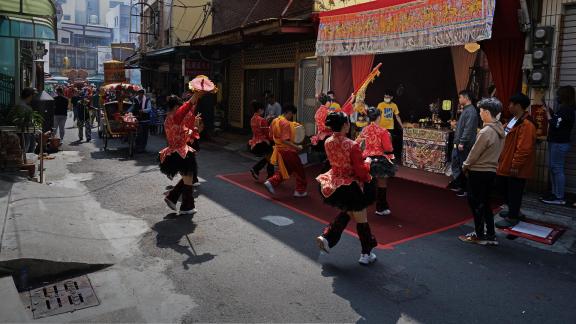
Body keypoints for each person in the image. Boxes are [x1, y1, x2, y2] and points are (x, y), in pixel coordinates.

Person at [315, 111, 378, 265]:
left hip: (335, 182)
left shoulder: (328, 141)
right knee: (361, 218)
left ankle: (328, 238)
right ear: (345, 125)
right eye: (348, 122)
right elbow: (360, 171)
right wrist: (368, 162)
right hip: (352, 186)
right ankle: (366, 253)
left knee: (349, 212)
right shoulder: (352, 144)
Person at [458, 97, 505, 246]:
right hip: (491, 170)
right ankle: (490, 234)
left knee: (476, 203)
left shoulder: (486, 131)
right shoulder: (499, 129)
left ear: (486, 112)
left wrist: (465, 165)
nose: (480, 113)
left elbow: (474, 153)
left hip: (479, 170)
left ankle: (479, 234)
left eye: (481, 111)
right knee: (485, 203)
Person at [495, 93, 537, 228]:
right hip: (506, 162)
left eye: (511, 104)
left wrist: (516, 164)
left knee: (514, 191)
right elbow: (503, 133)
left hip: (515, 165)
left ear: (518, 106)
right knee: (506, 189)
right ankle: (514, 211)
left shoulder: (527, 124)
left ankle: (513, 217)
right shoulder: (514, 120)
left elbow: (524, 148)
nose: (509, 106)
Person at [160, 93, 204, 215]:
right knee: (188, 179)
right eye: (179, 106)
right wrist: (197, 92)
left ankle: (174, 198)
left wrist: (194, 127)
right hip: (181, 152)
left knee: (187, 178)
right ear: (175, 107)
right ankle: (186, 206)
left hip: (175, 151)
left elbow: (183, 132)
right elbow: (189, 104)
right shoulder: (176, 116)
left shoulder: (169, 118)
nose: (181, 109)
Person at [356, 107, 396, 216]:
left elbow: (357, 143)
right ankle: (381, 208)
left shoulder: (365, 129)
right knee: (382, 183)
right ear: (379, 117)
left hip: (366, 158)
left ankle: (362, 205)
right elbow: (388, 148)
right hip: (379, 159)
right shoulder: (383, 131)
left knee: (366, 182)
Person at [540, 86, 576, 205]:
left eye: (559, 95)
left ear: (564, 96)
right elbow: (558, 121)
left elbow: (556, 124)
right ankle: (555, 193)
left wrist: (547, 113)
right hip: (557, 142)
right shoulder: (565, 109)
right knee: (553, 168)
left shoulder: (567, 110)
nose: (557, 97)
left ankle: (559, 197)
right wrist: (550, 112)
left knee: (557, 169)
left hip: (559, 143)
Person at [264, 104, 308, 197]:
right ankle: (300, 191)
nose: (291, 116)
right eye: (292, 114)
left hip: (279, 150)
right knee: (299, 170)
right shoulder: (285, 123)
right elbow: (285, 140)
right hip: (288, 151)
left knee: (287, 170)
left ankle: (271, 182)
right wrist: (297, 147)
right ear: (289, 112)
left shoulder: (275, 121)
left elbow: (271, 136)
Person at [448, 90, 479, 197]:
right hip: (458, 143)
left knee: (464, 166)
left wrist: (462, 142)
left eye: (460, 97)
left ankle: (465, 189)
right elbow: (463, 128)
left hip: (464, 145)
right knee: (455, 163)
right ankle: (459, 185)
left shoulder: (471, 111)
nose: (459, 99)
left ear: (466, 98)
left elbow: (468, 129)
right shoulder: (466, 110)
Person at [248, 101, 275, 181]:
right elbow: (267, 133)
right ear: (260, 110)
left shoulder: (252, 118)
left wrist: (266, 121)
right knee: (271, 157)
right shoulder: (262, 120)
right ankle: (269, 176)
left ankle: (257, 169)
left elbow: (258, 130)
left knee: (269, 157)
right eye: (263, 110)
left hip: (254, 142)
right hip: (263, 142)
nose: (263, 112)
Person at [376, 89, 403, 162]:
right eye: (385, 97)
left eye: (387, 97)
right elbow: (377, 116)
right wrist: (376, 126)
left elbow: (397, 116)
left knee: (389, 144)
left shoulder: (394, 105)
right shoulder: (380, 105)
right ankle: (380, 159)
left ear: (391, 97)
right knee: (380, 143)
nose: (386, 98)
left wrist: (401, 126)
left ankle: (388, 159)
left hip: (390, 127)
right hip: (381, 127)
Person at [10, 87, 38, 152]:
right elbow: (21, 120)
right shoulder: (22, 106)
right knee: (26, 149)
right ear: (30, 95)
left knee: (28, 149)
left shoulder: (22, 105)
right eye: (33, 95)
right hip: (25, 131)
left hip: (28, 131)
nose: (33, 97)